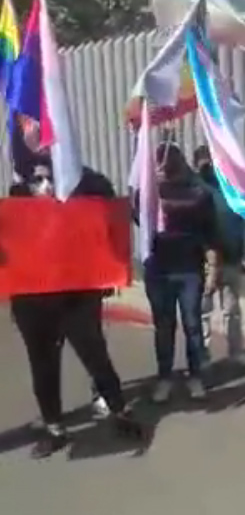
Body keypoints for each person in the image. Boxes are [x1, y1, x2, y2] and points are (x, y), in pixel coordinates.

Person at [10, 153, 144, 458]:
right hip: (33, 304)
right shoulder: (18, 202)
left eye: (49, 179)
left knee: (95, 356)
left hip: (76, 299)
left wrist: (74, 179)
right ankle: (54, 428)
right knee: (43, 367)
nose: (44, 186)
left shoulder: (80, 190)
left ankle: (119, 409)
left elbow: (106, 203)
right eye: (38, 180)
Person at [138, 141, 219, 403]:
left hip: (189, 270)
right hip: (158, 271)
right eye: (159, 163)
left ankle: (195, 376)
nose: (165, 168)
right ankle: (165, 377)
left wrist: (213, 268)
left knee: (193, 324)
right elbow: (135, 212)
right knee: (164, 326)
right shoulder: (149, 194)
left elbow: (210, 233)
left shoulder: (198, 193)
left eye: (168, 162)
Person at [193, 145, 245, 365]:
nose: (209, 166)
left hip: (232, 258)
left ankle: (236, 351)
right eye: (204, 162)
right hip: (204, 263)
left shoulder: (234, 188)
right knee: (202, 311)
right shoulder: (195, 189)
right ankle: (203, 355)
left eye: (212, 161)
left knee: (232, 309)